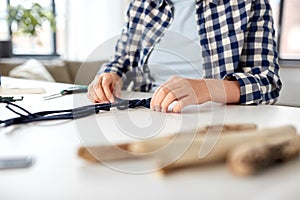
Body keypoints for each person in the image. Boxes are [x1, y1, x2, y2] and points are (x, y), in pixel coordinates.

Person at [87, 0, 282, 113]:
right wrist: (108, 76)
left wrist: (206, 88)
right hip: (149, 116)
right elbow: (121, 59)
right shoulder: (143, 4)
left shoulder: (247, 4)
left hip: (216, 119)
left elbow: (268, 84)